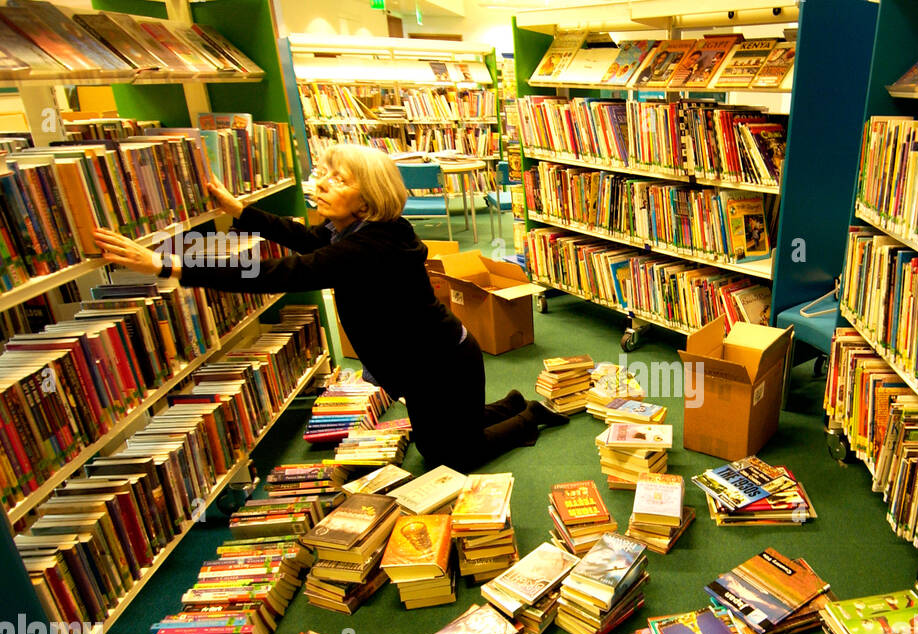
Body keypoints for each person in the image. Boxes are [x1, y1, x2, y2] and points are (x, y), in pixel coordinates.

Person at [91, 143, 567, 473]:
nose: (319, 185)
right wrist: (242, 211)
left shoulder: (368, 247)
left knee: (447, 458)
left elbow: (283, 273)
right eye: (322, 175)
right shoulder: (356, 230)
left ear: (367, 198)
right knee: (443, 437)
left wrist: (169, 265)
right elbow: (304, 237)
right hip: (435, 361)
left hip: (439, 365)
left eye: (336, 181)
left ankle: (529, 419)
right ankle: (511, 404)